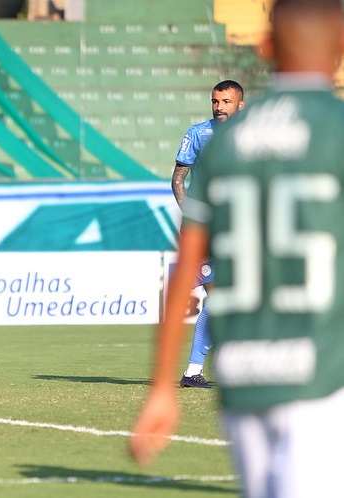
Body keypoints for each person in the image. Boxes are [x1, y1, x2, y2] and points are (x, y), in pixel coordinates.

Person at [130, 0, 344, 496]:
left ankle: (193, 368)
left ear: (265, 48)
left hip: (246, 376)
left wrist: (163, 386)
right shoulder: (334, 128)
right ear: (339, 49)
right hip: (319, 368)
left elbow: (184, 266)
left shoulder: (225, 143)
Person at [172, 79, 245, 388]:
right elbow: (178, 179)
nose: (219, 107)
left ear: (240, 105)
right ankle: (193, 371)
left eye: (226, 102)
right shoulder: (198, 134)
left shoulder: (253, 136)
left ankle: (204, 369)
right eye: (216, 101)